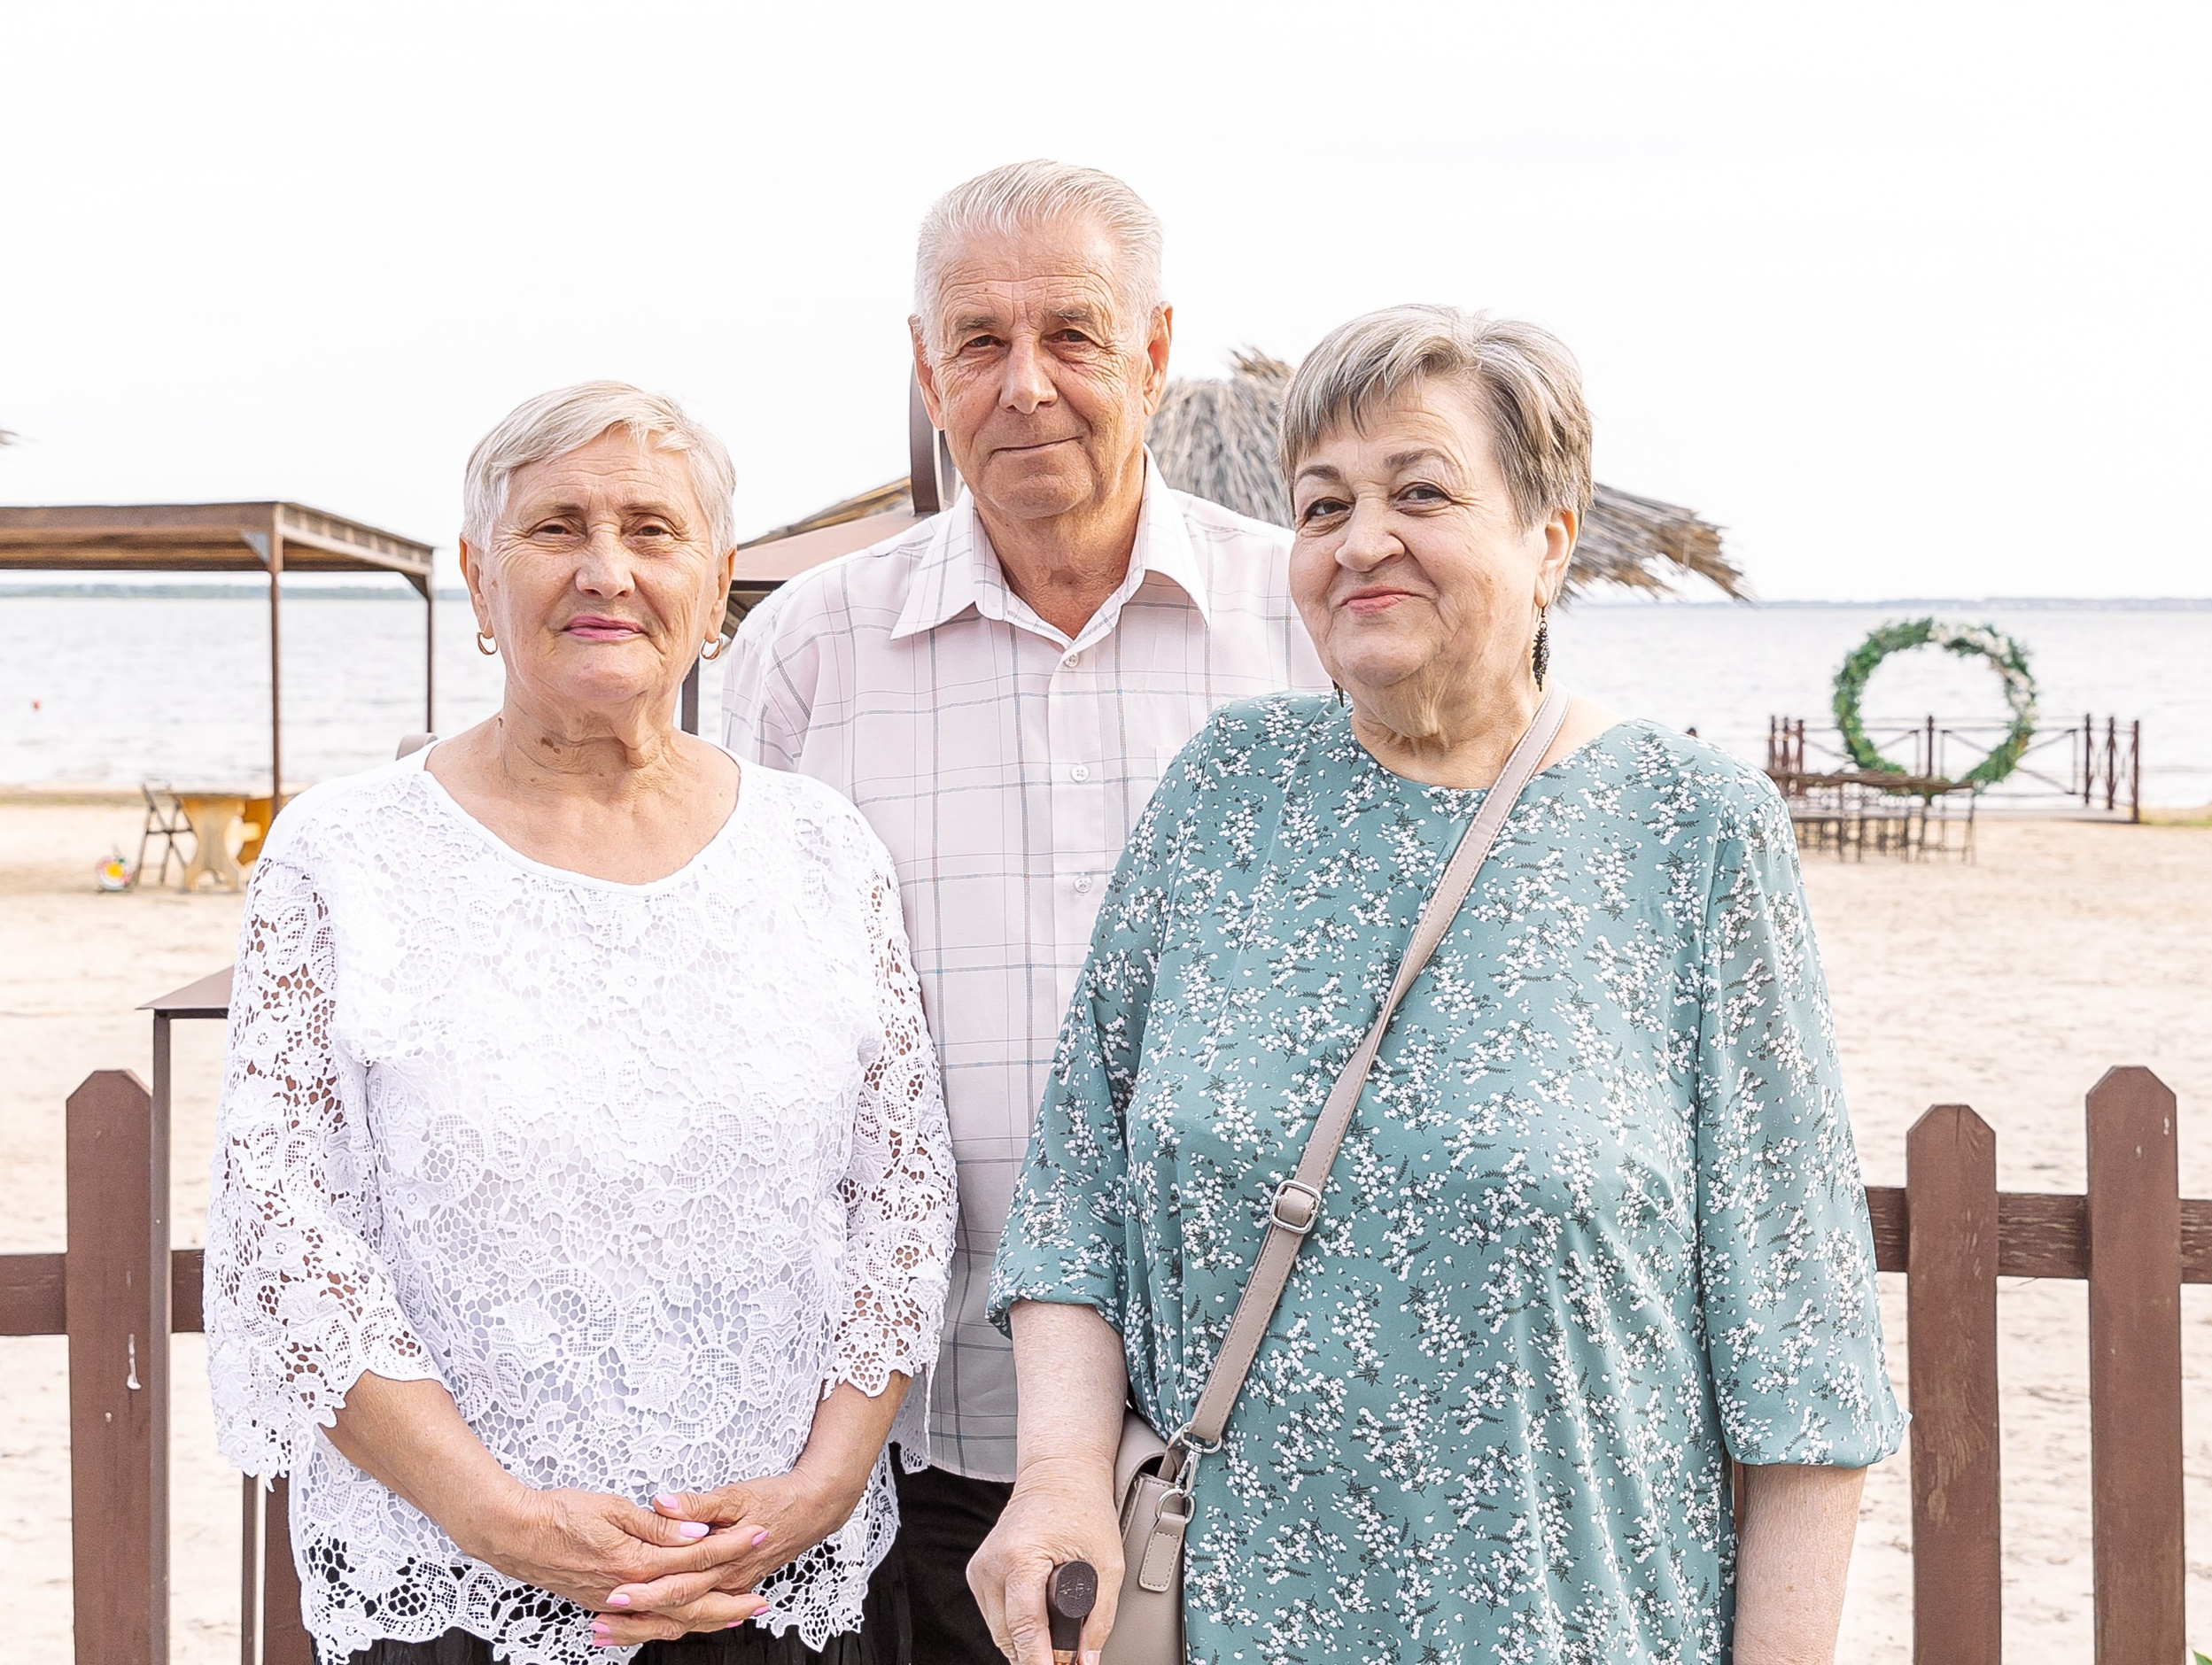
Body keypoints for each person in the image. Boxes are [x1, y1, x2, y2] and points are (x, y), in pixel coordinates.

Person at [975, 306, 1904, 1664]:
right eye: (1322, 505)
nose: (1361, 543)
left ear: (1549, 540)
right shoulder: (1224, 794)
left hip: (1573, 1620)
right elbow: (1077, 1194)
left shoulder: (1691, 829)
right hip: (1231, 1626)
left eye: (1420, 492)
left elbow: (1800, 1344)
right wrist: (1061, 1478)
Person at [204, 382, 957, 1665]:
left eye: (652, 532)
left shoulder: (822, 849)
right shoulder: (346, 857)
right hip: (452, 1594)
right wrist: (501, 1521)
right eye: (556, 527)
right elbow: (285, 1234)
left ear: (716, 585)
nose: (605, 571)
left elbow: (904, 1191)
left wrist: (822, 1487)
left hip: (774, 1586)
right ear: (476, 578)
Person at [718, 161, 1328, 1658]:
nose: (1027, 385)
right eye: (980, 343)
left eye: (1074, 333)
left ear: (1158, 351)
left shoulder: (1306, 627)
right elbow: (735, 1016)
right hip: (913, 1423)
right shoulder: (808, 653)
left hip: (1254, 1422)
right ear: (925, 368)